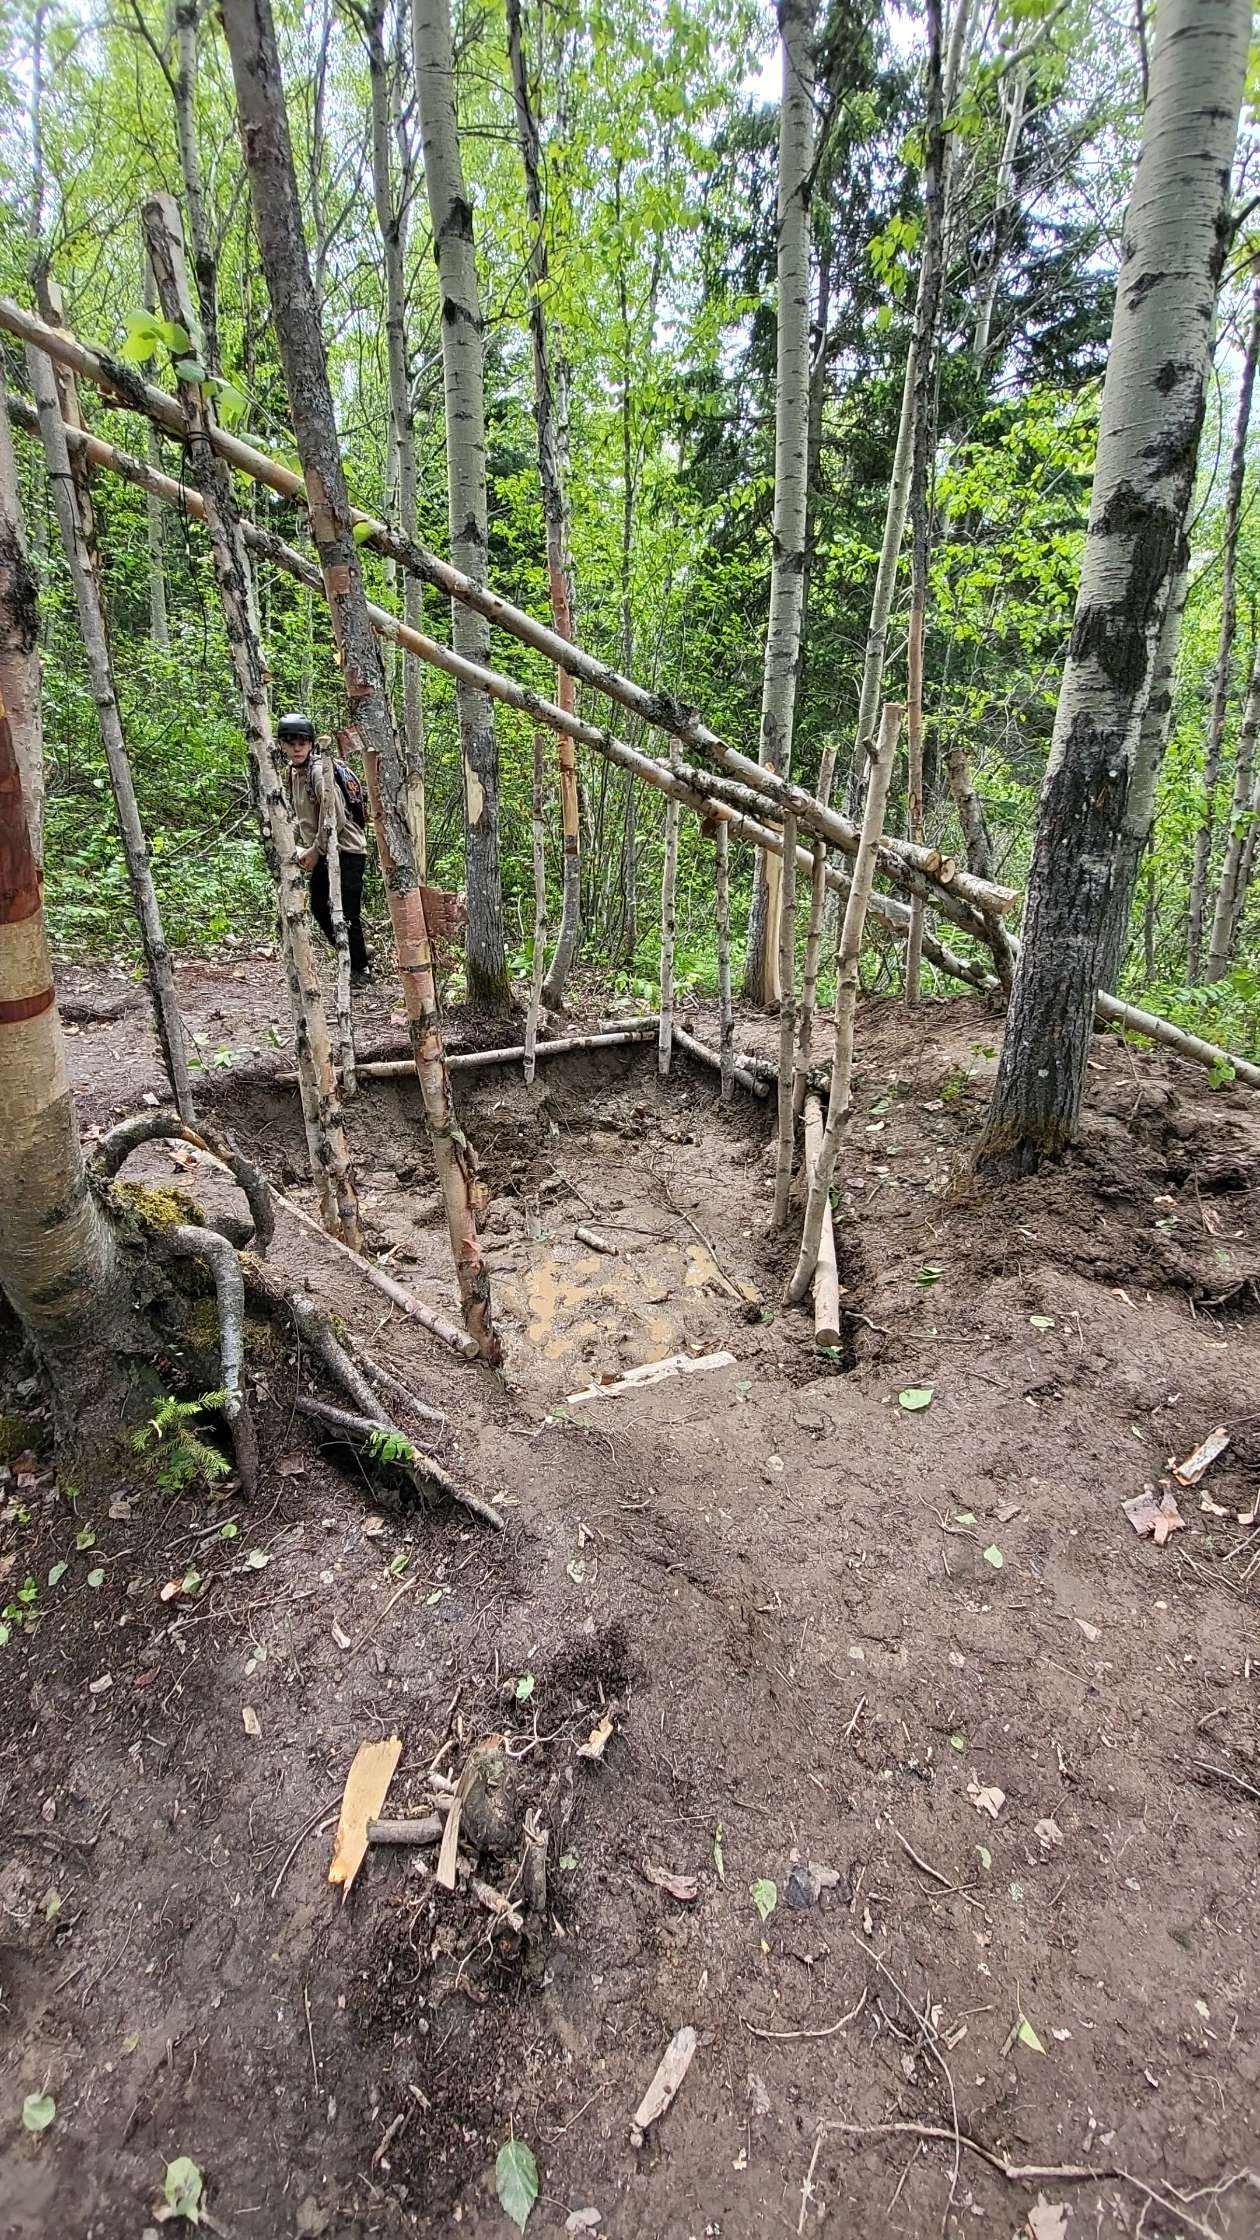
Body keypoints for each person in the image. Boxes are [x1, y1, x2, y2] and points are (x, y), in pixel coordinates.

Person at [276, 713, 372, 984]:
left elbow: (336, 819)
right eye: (291, 742)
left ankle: (360, 970)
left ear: (311, 744)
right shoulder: (293, 773)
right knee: (320, 907)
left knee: (347, 912)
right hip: (323, 849)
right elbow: (302, 815)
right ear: (282, 745)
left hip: (347, 850)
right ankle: (356, 954)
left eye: (302, 742)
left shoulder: (319, 773)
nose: (297, 748)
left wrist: (314, 850)